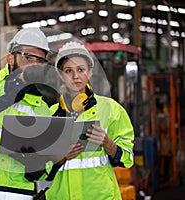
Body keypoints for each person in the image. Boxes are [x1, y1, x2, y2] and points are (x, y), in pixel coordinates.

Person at [0, 27, 82, 200]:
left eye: (40, 61)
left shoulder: (40, 107)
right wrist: (20, 80)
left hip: (16, 195)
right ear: (10, 58)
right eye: (27, 57)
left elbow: (40, 172)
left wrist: (56, 157)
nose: (33, 65)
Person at [41, 41, 135, 200]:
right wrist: (60, 157)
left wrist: (108, 144)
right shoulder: (49, 116)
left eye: (81, 70)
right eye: (68, 71)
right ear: (60, 74)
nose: (75, 76)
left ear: (90, 72)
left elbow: (128, 158)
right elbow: (37, 167)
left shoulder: (111, 110)